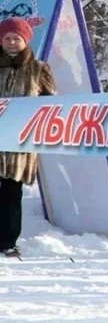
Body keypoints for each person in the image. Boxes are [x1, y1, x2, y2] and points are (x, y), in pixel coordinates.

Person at [0, 18, 56, 257]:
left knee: (12, 194)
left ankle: (8, 242)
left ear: (25, 40)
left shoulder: (39, 69)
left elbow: (52, 103)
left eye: (16, 38)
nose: (11, 42)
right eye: (7, 38)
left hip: (19, 145)